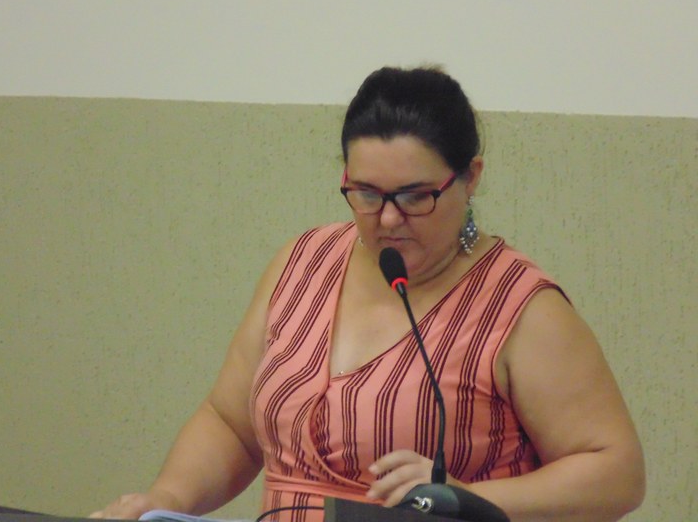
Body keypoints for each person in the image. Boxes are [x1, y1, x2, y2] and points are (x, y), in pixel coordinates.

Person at [91, 66, 645, 522]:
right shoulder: (303, 263)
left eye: (415, 196)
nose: (389, 219)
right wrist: (165, 500)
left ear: (470, 177)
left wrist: (470, 500)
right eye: (367, 194)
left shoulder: (521, 307)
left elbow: (617, 475)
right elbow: (231, 425)